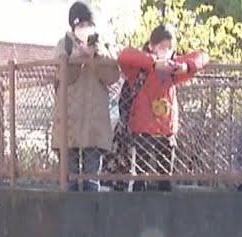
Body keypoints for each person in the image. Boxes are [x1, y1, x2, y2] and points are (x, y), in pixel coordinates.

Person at [117, 24, 208, 191]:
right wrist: (153, 62)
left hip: (166, 131)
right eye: (161, 47)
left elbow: (203, 57)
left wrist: (186, 67)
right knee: (140, 179)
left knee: (165, 180)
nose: (166, 51)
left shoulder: (173, 69)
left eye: (170, 48)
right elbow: (124, 55)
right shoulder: (140, 69)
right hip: (143, 130)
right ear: (152, 46)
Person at [54, 2, 121, 191]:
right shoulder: (64, 45)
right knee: (70, 181)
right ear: (73, 26)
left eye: (88, 25)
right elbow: (64, 77)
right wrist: (75, 58)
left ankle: (93, 216)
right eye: (81, 25)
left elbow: (112, 77)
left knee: (92, 182)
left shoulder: (103, 45)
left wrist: (96, 56)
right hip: (69, 120)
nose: (85, 29)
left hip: (95, 122)